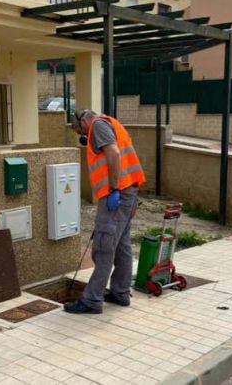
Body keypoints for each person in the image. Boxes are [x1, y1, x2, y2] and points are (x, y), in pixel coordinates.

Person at [64, 109, 145, 314]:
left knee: (104, 245)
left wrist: (114, 189)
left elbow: (114, 152)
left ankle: (92, 300)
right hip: (129, 190)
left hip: (117, 194)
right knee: (122, 245)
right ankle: (120, 293)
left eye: (79, 130)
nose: (82, 135)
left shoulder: (98, 126)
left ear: (83, 120)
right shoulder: (112, 123)